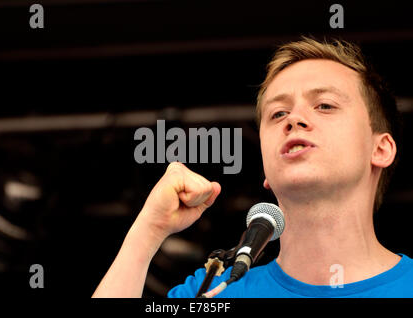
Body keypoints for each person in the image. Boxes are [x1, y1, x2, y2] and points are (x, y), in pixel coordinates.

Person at [92, 36, 413, 298]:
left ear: (380, 149)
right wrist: (146, 233)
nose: (294, 120)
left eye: (324, 105)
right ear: (266, 170)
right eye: (277, 114)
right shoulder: (214, 291)